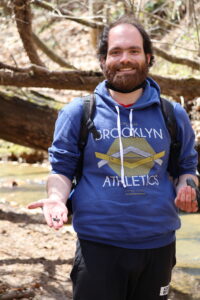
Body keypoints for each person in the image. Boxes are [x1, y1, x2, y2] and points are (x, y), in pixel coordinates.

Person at [28, 15, 199, 300]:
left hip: (158, 246)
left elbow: (187, 168)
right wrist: (57, 198)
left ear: (148, 57)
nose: (125, 59)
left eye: (133, 51)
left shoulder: (172, 115)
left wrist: (187, 187)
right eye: (116, 52)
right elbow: (61, 170)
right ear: (102, 61)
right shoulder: (77, 113)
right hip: (98, 248)